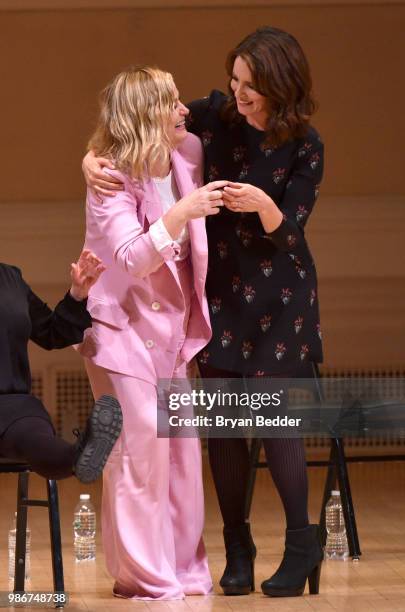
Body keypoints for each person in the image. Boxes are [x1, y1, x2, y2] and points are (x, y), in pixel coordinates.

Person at [82, 27, 324, 598]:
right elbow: (134, 120)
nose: (237, 94)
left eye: (251, 85)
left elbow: (291, 236)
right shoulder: (213, 122)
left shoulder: (305, 144)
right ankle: (236, 549)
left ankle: (300, 543)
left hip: (280, 300)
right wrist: (90, 156)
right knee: (220, 432)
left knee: (274, 422)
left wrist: (264, 204)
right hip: (218, 298)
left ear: (280, 86)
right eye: (234, 80)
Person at [77, 66, 227, 601]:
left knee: (183, 453)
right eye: (171, 103)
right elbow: (131, 258)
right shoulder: (111, 179)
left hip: (168, 333)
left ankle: (184, 569)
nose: (184, 109)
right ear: (147, 114)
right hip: (119, 332)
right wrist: (183, 213)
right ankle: (143, 575)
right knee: (139, 453)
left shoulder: (186, 155)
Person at [0, 249, 122, 484]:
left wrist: (77, 294)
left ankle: (79, 457)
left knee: (36, 438)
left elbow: (51, 333)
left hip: (14, 407)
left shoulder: (10, 279)